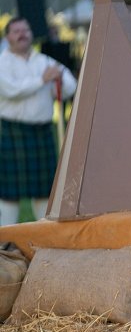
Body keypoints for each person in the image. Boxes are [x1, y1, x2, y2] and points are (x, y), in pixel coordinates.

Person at [0, 17, 77, 225]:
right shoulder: (2, 63)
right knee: (9, 194)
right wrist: (42, 80)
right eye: (16, 31)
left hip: (42, 132)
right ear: (8, 37)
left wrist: (59, 79)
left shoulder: (44, 61)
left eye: (25, 29)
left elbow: (70, 85)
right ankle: (5, 240)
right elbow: (11, 90)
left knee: (44, 191)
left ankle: (44, 236)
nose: (22, 34)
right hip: (12, 132)